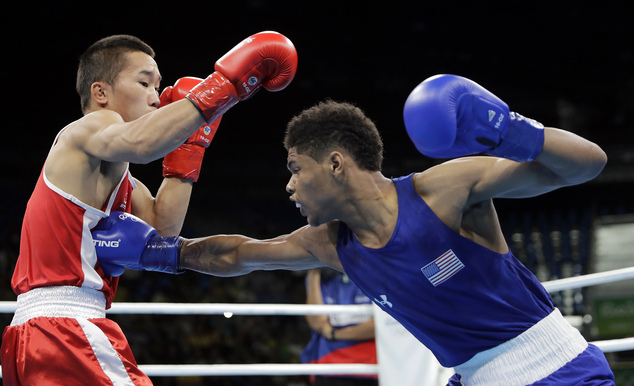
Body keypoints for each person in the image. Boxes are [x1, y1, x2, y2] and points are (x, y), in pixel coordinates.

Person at [91, 74, 616, 385]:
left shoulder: (442, 191)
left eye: (297, 169)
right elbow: (241, 254)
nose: (290, 187)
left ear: (336, 164)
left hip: (559, 368)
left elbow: (585, 164)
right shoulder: (330, 243)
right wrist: (165, 252)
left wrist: (510, 129)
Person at [1, 31, 298, 385]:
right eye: (144, 83)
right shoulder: (89, 127)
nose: (156, 98)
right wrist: (221, 89)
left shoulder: (121, 179)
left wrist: (190, 148)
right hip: (66, 328)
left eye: (158, 87)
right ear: (101, 93)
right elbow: (142, 143)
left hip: (34, 333)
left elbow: (163, 230)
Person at [300, 268, 378, 386]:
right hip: (329, 365)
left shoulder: (374, 275)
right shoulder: (320, 278)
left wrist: (334, 334)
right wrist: (313, 274)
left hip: (369, 366)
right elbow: (317, 323)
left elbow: (377, 327)